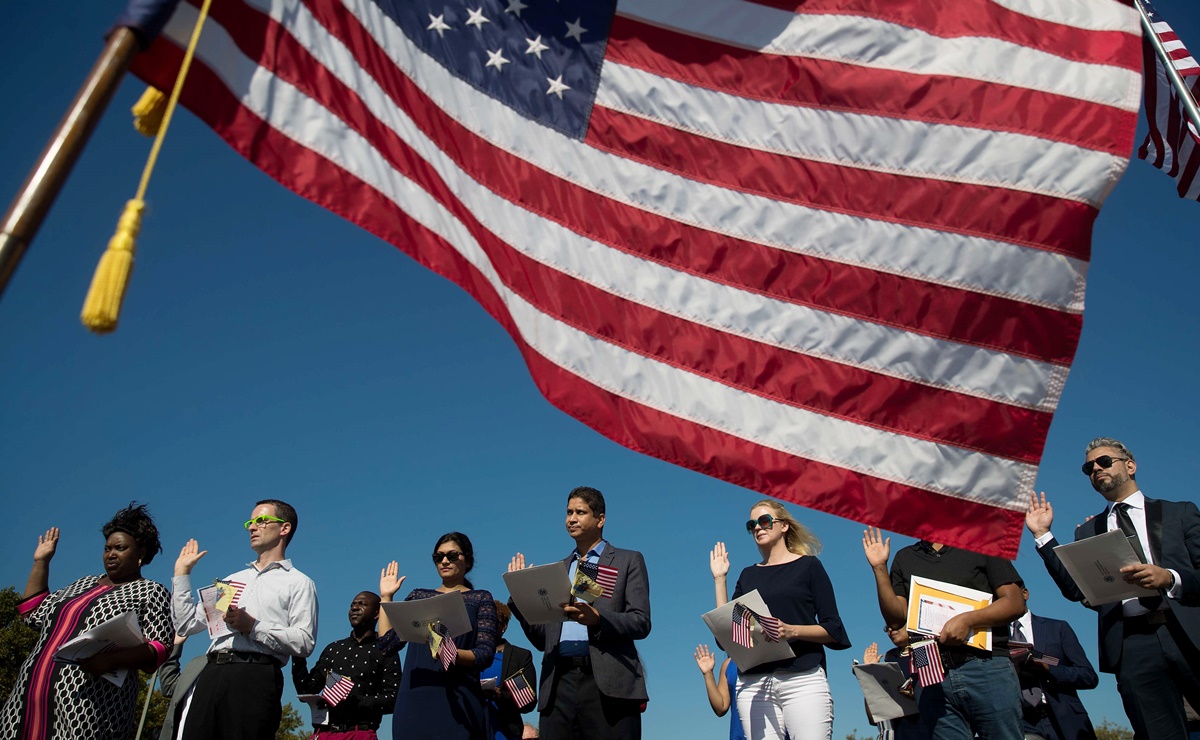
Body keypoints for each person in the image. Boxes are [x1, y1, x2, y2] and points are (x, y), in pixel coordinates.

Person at [1026, 437, 1200, 739]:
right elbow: (1076, 589)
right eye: (1088, 467)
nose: (1095, 468)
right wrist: (1043, 535)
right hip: (1132, 644)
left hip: (1186, 632)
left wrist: (1169, 577)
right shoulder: (1088, 530)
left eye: (1104, 461)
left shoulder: (1180, 513)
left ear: (1129, 466)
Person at [0, 503, 174, 740]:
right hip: (27, 700)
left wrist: (110, 659)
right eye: (107, 548)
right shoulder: (83, 584)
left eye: (120, 548)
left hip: (89, 707)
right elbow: (33, 613)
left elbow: (159, 648)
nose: (111, 554)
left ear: (141, 552)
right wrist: (41, 562)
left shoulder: (150, 591)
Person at [507, 486, 651, 740]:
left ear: (600, 519)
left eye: (580, 512)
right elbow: (543, 639)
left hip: (607, 684)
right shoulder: (557, 571)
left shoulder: (627, 560)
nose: (571, 518)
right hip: (558, 683)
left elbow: (641, 621)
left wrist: (599, 620)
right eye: (568, 512)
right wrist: (521, 602)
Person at [172, 499, 318, 740]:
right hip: (211, 673)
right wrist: (181, 574)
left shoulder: (299, 582)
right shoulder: (231, 581)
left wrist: (253, 626)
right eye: (250, 522)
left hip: (255, 676)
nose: (252, 527)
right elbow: (187, 624)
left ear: (284, 528)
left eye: (261, 521)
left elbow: (304, 642)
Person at [863, 526, 1026, 740]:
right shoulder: (905, 557)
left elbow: (1015, 602)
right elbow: (896, 619)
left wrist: (968, 620)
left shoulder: (983, 544)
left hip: (987, 666)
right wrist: (879, 569)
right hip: (931, 672)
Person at [712, 500, 851, 740]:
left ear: (784, 525)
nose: (757, 527)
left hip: (802, 679)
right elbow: (728, 634)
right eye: (751, 524)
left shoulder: (809, 567)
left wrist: (792, 631)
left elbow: (833, 628)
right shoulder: (748, 574)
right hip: (753, 684)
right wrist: (719, 579)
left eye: (764, 521)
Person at [376, 532, 498, 740]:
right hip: (414, 697)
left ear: (467, 560)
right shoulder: (419, 596)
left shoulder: (480, 599)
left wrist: (450, 653)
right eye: (438, 556)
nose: (444, 561)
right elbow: (386, 644)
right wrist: (386, 597)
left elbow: (485, 654)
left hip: (459, 699)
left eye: (452, 555)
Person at [292, 591, 400, 738]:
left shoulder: (385, 652)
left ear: (377, 614)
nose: (355, 607)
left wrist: (355, 702)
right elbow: (307, 689)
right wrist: (297, 655)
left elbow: (393, 699)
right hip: (324, 733)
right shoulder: (333, 649)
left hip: (359, 733)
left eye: (362, 604)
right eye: (352, 604)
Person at [1008, 584, 1097, 740]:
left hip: (1064, 717)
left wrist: (1048, 668)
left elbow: (1088, 676)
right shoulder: (994, 637)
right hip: (1020, 720)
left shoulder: (1057, 628)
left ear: (1025, 593)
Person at [481, 601, 538, 739]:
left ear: (504, 626)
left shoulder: (519, 657)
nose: (486, 626)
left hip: (505, 730)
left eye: (493, 621)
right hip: (473, 727)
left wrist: (503, 695)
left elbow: (528, 703)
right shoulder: (467, 654)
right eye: (482, 621)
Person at [860, 626, 921, 740]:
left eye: (896, 624)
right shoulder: (890, 661)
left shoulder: (927, 656)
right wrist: (870, 674)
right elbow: (873, 718)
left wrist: (916, 693)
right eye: (887, 627)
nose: (890, 630)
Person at [693, 644, 744, 740]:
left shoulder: (769, 658)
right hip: (739, 735)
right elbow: (721, 707)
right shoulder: (728, 664)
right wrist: (708, 673)